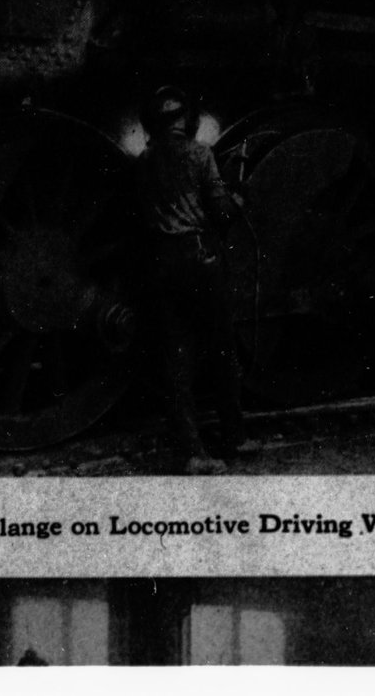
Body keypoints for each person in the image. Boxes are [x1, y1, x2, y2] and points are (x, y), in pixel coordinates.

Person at [132, 84, 248, 473]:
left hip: (159, 264)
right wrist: (236, 201)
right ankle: (234, 437)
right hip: (199, 259)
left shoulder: (144, 161)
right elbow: (222, 213)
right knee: (221, 349)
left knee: (176, 358)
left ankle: (194, 453)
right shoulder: (201, 155)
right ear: (186, 120)